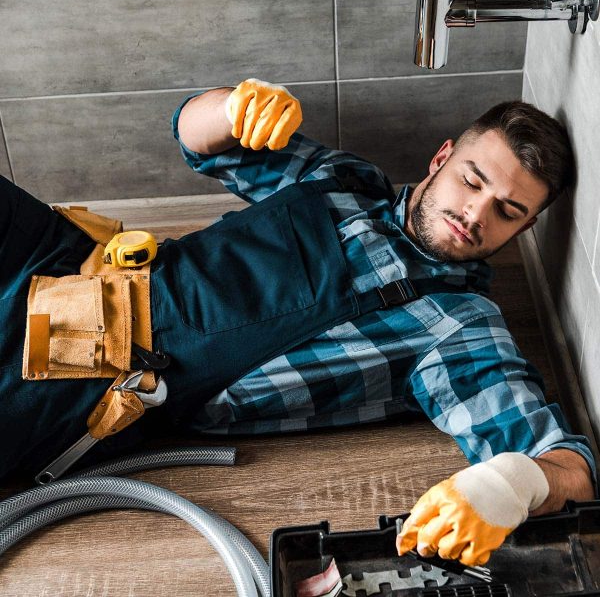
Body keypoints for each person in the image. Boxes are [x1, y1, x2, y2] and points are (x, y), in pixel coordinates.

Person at [0, 78, 594, 568]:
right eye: (473, 179)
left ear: (523, 230)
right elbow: (194, 137)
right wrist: (233, 107)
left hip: (85, 371)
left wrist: (515, 483)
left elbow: (569, 466)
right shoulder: (346, 182)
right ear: (442, 158)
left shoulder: (457, 327)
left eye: (508, 211)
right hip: (64, 255)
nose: (475, 213)